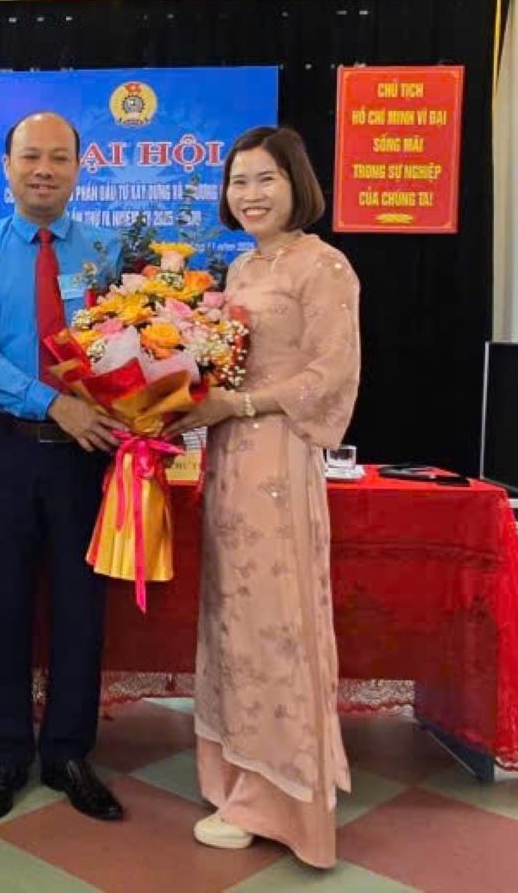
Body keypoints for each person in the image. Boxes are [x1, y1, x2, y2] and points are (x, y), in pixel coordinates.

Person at [164, 126, 359, 868]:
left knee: (278, 625)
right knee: (233, 620)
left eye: (265, 179)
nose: (250, 194)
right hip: (228, 463)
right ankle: (239, 779)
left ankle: (285, 797)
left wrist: (235, 408)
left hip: (278, 459)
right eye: (239, 180)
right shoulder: (241, 268)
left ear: (297, 184)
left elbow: (330, 377)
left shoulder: (324, 266)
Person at [0, 111, 126, 823]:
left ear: (80, 168)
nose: (43, 169)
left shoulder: (109, 252)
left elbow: (132, 341)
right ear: (7, 165)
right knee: (3, 604)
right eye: (30, 157)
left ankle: (70, 751)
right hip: (9, 449)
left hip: (92, 456)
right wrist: (56, 404)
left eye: (58, 157)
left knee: (84, 606)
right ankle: (7, 752)